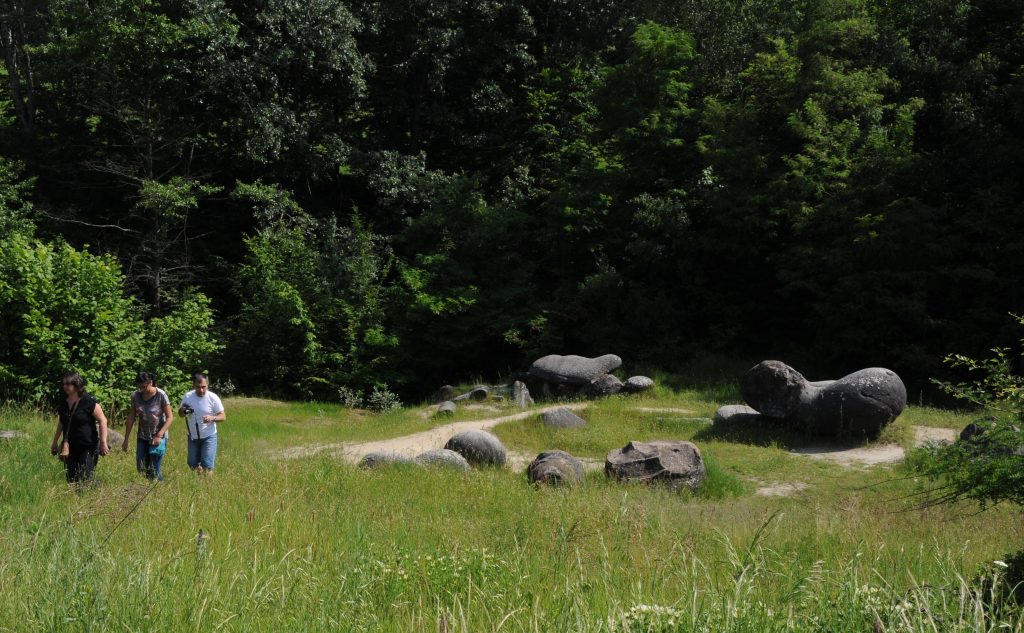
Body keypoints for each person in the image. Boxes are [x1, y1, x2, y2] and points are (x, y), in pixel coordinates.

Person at [50, 371, 110, 483]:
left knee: (85, 477)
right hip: (70, 445)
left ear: (77, 385)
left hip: (88, 445)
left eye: (68, 384)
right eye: (64, 384)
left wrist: (103, 442)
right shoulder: (63, 402)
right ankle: (74, 499)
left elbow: (103, 420)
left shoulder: (88, 401)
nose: (65, 387)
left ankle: (97, 487)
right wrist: (55, 442)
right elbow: (62, 422)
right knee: (71, 479)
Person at [122, 371, 173, 481]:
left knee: (154, 468)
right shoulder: (135, 395)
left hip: (158, 435)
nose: (141, 389)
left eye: (143, 387)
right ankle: (148, 487)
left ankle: (159, 488)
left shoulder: (161, 395)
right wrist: (126, 439)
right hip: (142, 436)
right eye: (139, 386)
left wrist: (159, 435)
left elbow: (170, 417)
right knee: (141, 467)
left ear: (151, 383)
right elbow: (131, 417)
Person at [178, 373, 226, 473]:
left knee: (207, 466)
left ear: (208, 384)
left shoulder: (213, 397)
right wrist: (183, 410)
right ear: (193, 385)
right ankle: (200, 481)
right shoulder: (188, 396)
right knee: (192, 464)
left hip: (209, 436)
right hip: (192, 437)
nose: (201, 390)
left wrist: (212, 418)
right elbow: (181, 414)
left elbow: (223, 416)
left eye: (204, 387)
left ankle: (208, 485)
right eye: (198, 387)